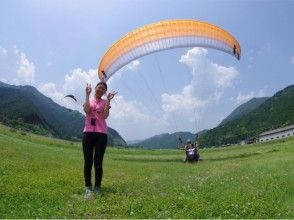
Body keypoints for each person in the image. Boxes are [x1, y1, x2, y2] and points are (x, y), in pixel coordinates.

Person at [82, 81, 117, 198]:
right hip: (88, 133)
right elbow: (86, 110)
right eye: (99, 87)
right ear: (95, 88)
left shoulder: (105, 102)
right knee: (88, 161)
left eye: (103, 88)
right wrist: (87, 94)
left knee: (98, 161)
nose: (101, 89)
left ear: (104, 91)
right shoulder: (89, 99)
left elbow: (105, 116)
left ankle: (97, 187)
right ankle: (88, 187)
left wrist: (109, 101)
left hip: (101, 134)